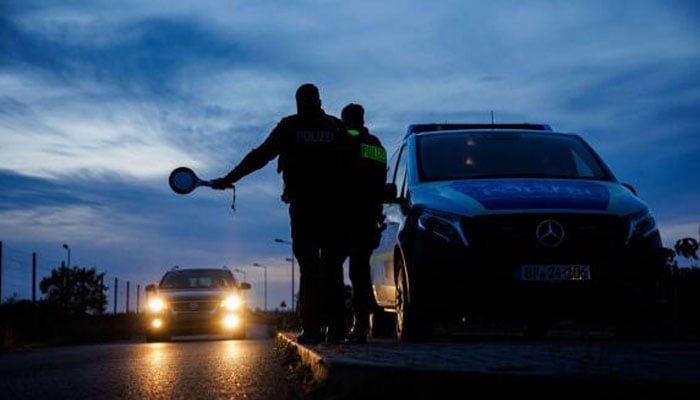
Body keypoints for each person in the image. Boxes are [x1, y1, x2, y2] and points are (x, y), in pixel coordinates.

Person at [211, 83, 352, 344]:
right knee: (332, 267)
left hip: (305, 208)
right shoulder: (335, 127)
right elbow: (352, 167)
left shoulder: (290, 127)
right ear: (319, 101)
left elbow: (260, 156)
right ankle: (337, 329)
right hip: (334, 209)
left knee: (310, 267)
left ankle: (312, 330)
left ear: (300, 102)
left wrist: (230, 178)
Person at [340, 103, 387, 344]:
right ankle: (361, 324)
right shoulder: (376, 145)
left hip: (343, 216)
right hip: (367, 216)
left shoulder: (340, 143)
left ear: (345, 119)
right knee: (360, 272)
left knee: (336, 270)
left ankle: (340, 325)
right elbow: (381, 179)